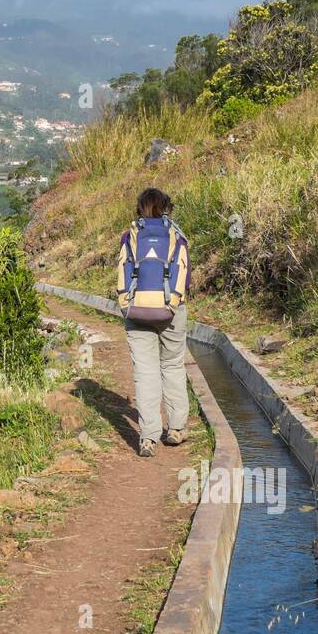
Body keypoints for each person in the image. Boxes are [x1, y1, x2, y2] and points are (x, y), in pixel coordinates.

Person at [116, 187, 190, 456]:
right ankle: (176, 428)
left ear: (139, 209)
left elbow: (124, 271)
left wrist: (126, 305)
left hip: (136, 311)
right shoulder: (176, 236)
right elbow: (185, 275)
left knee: (145, 373)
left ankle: (148, 438)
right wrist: (172, 303)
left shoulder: (130, 236)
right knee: (172, 365)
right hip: (170, 310)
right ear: (166, 208)